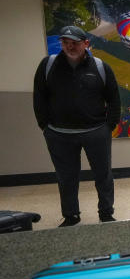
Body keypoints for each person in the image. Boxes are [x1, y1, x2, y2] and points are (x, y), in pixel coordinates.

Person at [32, 26, 121, 226]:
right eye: (66, 42)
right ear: (61, 43)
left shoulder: (100, 67)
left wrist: (109, 126)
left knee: (103, 175)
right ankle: (71, 215)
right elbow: (39, 97)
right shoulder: (48, 65)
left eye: (75, 43)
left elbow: (114, 99)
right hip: (59, 134)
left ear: (86, 44)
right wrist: (44, 126)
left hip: (96, 132)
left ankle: (106, 213)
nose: (70, 47)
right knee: (66, 177)